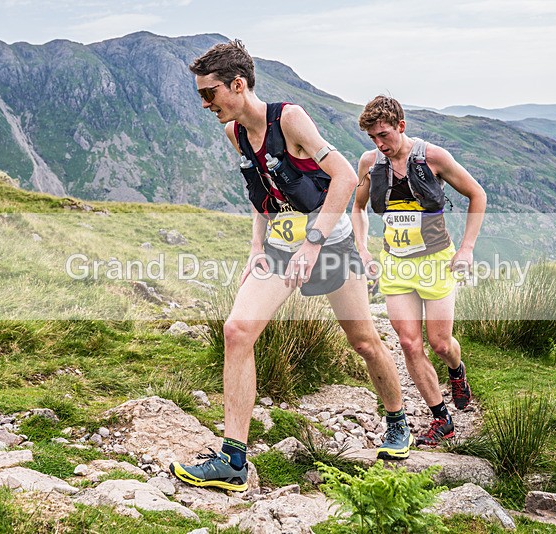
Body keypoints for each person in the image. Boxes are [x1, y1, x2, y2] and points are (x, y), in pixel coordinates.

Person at [169, 41, 412, 492]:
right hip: (281, 250)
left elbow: (344, 177)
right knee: (237, 331)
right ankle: (233, 462)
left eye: (210, 94)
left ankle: (398, 422)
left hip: (331, 243)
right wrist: (256, 247)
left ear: (237, 85)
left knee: (362, 340)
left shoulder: (290, 119)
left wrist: (314, 244)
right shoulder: (235, 133)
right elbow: (260, 192)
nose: (205, 104)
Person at [353, 96, 486, 447]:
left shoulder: (433, 157)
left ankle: (456, 371)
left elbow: (477, 195)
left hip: (435, 262)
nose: (380, 144)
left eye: (384, 135)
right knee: (410, 344)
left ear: (401, 126)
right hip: (395, 263)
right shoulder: (370, 162)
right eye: (373, 138)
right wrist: (363, 248)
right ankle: (442, 418)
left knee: (441, 344)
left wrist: (467, 248)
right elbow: (358, 207)